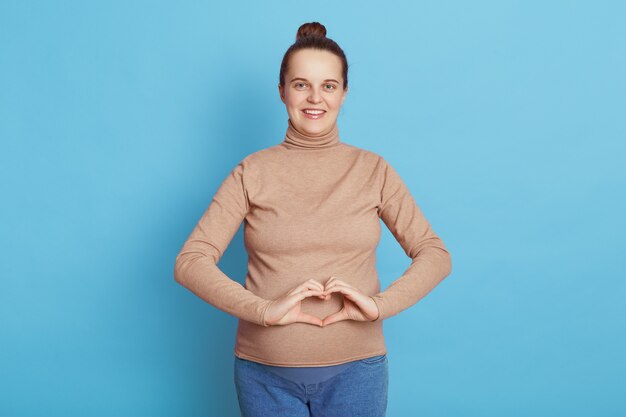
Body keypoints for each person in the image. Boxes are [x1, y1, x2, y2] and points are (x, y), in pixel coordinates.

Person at [174, 21, 452, 417]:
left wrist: (379, 306)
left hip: (358, 372)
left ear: (344, 93)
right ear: (282, 91)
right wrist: (262, 310)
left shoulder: (373, 170)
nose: (314, 98)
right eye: (301, 84)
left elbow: (435, 254)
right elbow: (190, 262)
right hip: (263, 374)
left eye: (328, 85)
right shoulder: (251, 171)